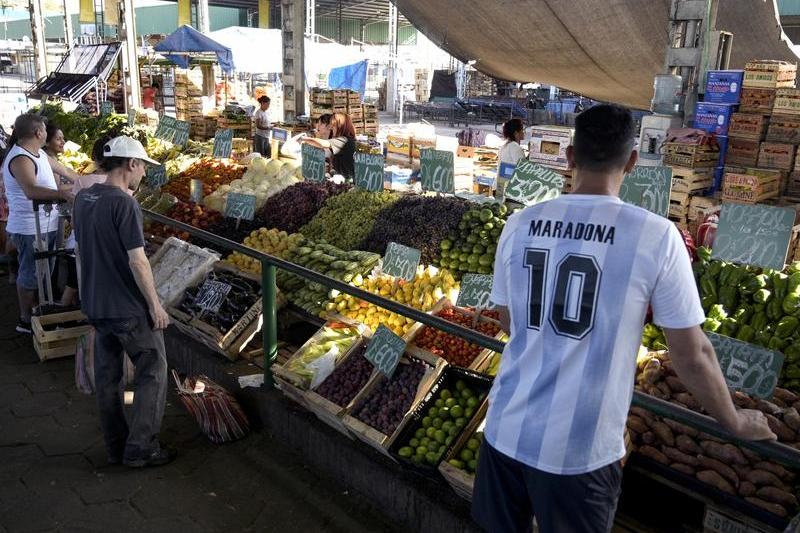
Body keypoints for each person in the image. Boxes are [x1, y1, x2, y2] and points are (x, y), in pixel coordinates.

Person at [471, 104, 775, 533]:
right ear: (632, 161)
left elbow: (507, 319)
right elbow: (691, 354)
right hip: (579, 454)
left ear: (571, 156)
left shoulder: (520, 223)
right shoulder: (656, 235)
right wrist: (735, 420)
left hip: (504, 431)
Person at [72, 135, 174, 468]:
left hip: (96, 305)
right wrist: (155, 305)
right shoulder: (124, 203)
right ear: (131, 164)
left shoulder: (83, 198)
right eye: (143, 166)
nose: (144, 173)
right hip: (126, 308)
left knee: (108, 378)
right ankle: (141, 447)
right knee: (153, 371)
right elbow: (138, 260)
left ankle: (116, 447)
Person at [1, 113, 75, 333]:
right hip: (29, 227)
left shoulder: (40, 154)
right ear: (38, 132)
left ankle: (37, 310)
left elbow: (67, 172)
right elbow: (31, 191)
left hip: (47, 223)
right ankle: (25, 320)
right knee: (30, 274)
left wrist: (97, 182)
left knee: (44, 272)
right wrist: (62, 193)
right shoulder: (20, 158)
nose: (46, 132)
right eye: (44, 129)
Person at [301, 112, 356, 179]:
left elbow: (322, 144)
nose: (331, 128)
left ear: (341, 127)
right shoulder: (345, 139)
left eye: (334, 126)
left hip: (347, 178)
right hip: (343, 176)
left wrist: (303, 139)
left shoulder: (343, 140)